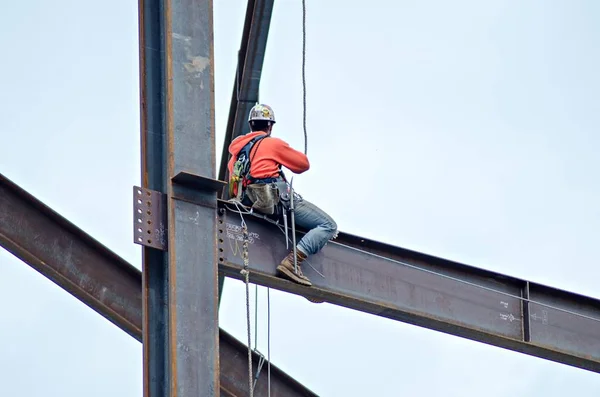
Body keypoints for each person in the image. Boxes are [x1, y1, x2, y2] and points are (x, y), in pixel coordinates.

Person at [227, 103, 338, 292]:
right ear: (269, 126)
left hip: (250, 203)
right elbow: (303, 164)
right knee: (328, 226)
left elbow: (234, 184)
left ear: (251, 125)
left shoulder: (236, 155)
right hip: (276, 201)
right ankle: (293, 262)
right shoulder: (272, 143)